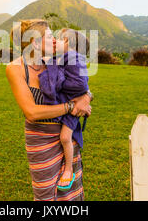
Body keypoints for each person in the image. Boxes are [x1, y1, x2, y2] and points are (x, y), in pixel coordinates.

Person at [5, 19, 92, 201]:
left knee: (71, 194)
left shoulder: (55, 60)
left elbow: (80, 84)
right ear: (35, 43)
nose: (55, 40)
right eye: (50, 36)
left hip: (66, 135)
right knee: (45, 194)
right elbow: (32, 112)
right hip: (40, 139)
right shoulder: (15, 68)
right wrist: (71, 107)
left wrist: (86, 97)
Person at [38, 28, 91, 191]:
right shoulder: (66, 58)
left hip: (72, 108)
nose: (55, 41)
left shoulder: (73, 58)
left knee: (65, 138)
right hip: (70, 105)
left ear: (68, 43)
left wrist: (60, 84)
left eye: (60, 39)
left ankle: (68, 169)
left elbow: (81, 84)